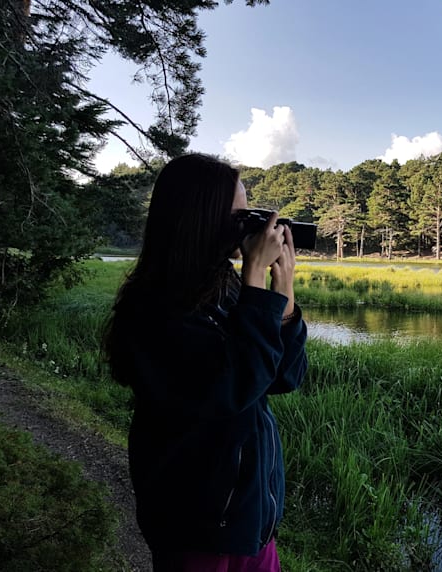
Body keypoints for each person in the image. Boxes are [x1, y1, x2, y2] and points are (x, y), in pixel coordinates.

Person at [103, 153, 308, 571]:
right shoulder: (156, 308)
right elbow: (231, 389)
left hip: (250, 519)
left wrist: (282, 297)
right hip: (195, 525)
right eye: (239, 216)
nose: (249, 229)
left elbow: (283, 377)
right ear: (199, 218)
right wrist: (255, 281)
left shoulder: (224, 287)